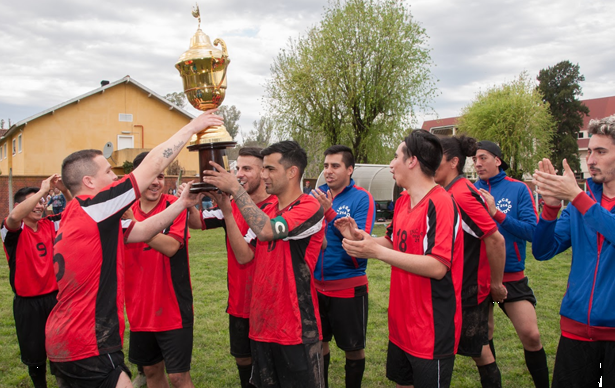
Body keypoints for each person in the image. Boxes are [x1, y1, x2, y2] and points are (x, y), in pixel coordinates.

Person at [44, 110, 222, 388]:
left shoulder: (78, 214)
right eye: (107, 172)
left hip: (62, 337)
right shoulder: (96, 206)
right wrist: (192, 126)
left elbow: (139, 231)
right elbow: (151, 165)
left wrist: (181, 203)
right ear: (89, 182)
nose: (114, 177)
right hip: (87, 339)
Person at [337, 130, 463, 388]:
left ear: (412, 161)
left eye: (396, 157)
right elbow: (394, 243)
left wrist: (377, 252)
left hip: (431, 330)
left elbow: (438, 266)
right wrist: (364, 239)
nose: (391, 164)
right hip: (401, 327)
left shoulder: (441, 203)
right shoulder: (404, 200)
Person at [203, 140, 326, 388]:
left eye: (270, 169)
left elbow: (267, 231)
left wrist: (235, 190)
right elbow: (244, 256)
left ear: (292, 172)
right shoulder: (268, 209)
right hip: (262, 325)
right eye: (263, 169)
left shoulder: (308, 206)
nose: (263, 175)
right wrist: (227, 210)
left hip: (295, 328)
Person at [532, 114, 615, 387]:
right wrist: (552, 205)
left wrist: (576, 197)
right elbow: (543, 250)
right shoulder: (583, 201)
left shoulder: (581, 200)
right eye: (589, 151)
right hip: (575, 331)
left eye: (601, 152)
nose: (590, 160)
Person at [183, 146, 276, 388]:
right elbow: (197, 222)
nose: (239, 173)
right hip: (238, 300)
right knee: (243, 357)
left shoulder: (274, 207)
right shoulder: (232, 205)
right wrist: (191, 203)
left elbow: (244, 256)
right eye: (237, 168)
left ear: (264, 172)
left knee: (267, 363)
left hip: (267, 304)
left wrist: (227, 210)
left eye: (247, 168)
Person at [473, 140, 549, 388]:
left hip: (511, 274)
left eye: (483, 158)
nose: (477, 163)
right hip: (479, 275)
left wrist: (497, 213)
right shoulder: (469, 190)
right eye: (474, 159)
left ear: (498, 160)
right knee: (484, 338)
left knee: (532, 335)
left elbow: (532, 231)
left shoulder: (518, 189)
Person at [434, 136, 507, 387]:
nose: (430, 164)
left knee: (479, 351)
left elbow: (495, 239)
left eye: (436, 158)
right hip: (457, 286)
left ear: (454, 162)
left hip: (469, 288)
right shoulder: (450, 190)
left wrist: (495, 284)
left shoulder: (462, 194)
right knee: (480, 345)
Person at [123, 152, 194, 388]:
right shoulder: (124, 210)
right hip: (139, 308)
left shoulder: (175, 206)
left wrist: (135, 226)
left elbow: (172, 247)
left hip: (173, 307)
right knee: (152, 372)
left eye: (161, 176)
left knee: (178, 377)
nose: (156, 182)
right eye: (151, 176)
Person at [311, 145, 375, 388]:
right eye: (326, 166)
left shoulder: (361, 197)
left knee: (354, 349)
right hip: (316, 286)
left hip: (348, 286)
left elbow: (360, 242)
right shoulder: (314, 195)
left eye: (335, 166)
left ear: (349, 169)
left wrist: (329, 213)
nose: (328, 171)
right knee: (318, 343)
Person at [1, 174, 71, 388]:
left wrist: (64, 190)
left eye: (42, 202)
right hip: (28, 304)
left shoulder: (51, 225)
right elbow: (14, 217)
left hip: (54, 299)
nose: (40, 206)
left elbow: (76, 208)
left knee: (61, 350)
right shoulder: (12, 230)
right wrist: (42, 191)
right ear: (23, 205)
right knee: (35, 355)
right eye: (36, 202)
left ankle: (64, 382)